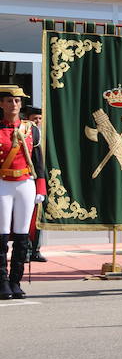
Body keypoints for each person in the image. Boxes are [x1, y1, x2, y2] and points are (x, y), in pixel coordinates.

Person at [0, 86, 46, 300]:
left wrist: (41, 187)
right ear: (1, 104)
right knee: (1, 236)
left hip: (25, 182)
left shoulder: (31, 129)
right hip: (2, 183)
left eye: (17, 101)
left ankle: (15, 281)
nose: (14, 105)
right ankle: (2, 282)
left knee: (22, 235)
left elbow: (38, 160)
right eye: (9, 101)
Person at [22, 105, 47, 263]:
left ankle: (36, 249)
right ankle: (25, 249)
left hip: (44, 179)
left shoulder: (44, 136)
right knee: (27, 218)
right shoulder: (26, 134)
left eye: (39, 119)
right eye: (34, 119)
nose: (37, 121)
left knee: (40, 218)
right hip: (29, 179)